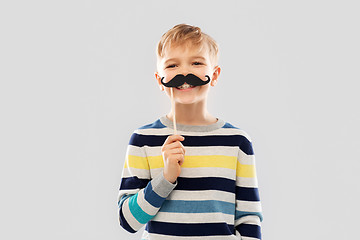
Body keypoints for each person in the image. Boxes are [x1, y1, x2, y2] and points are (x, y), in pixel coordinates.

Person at [117, 23, 263, 239]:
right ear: (159, 80)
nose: (184, 72)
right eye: (172, 66)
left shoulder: (237, 142)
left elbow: (248, 219)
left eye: (196, 62)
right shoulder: (143, 141)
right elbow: (128, 221)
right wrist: (165, 178)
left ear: (214, 75)